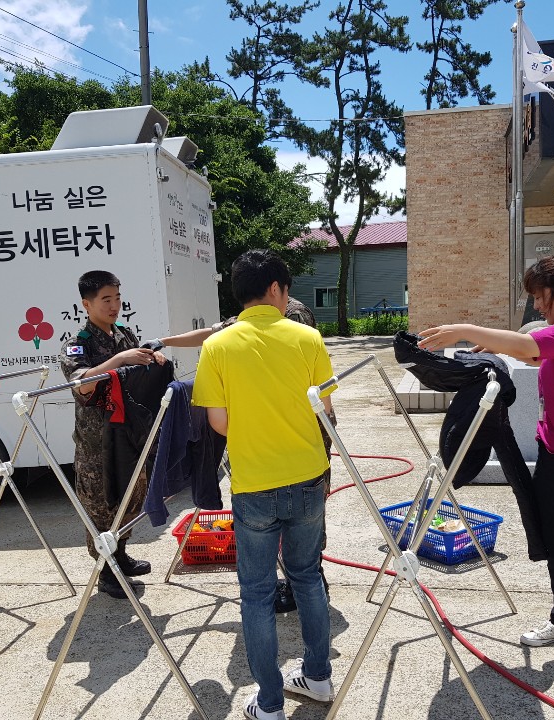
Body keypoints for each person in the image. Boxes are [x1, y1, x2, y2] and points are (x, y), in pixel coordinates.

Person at [418, 255, 554, 700]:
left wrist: (465, 329)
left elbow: (530, 347)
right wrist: (493, 347)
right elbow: (528, 341)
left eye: (540, 297)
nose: (536, 306)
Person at [191, 250, 335, 720]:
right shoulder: (308, 337)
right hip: (309, 476)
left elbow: (219, 423)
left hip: (253, 484)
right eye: (286, 289)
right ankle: (318, 677)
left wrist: (256, 426)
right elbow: (325, 411)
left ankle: (269, 704)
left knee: (255, 593)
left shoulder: (217, 346)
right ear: (275, 288)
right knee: (308, 577)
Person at [161, 296, 336, 612]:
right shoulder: (257, 314)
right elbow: (213, 333)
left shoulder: (293, 317)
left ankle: (309, 585)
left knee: (299, 522)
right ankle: (307, 586)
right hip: (287, 434)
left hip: (298, 436)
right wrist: (163, 341)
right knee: (295, 515)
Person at [60, 270, 168, 599]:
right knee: (100, 507)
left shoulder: (125, 335)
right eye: (106, 299)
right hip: (96, 445)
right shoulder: (78, 344)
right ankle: (107, 570)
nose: (114, 306)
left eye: (117, 298)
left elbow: (137, 372)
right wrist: (118, 360)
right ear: (87, 304)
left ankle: (120, 554)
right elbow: (80, 382)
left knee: (131, 499)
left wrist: (153, 358)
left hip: (127, 436)